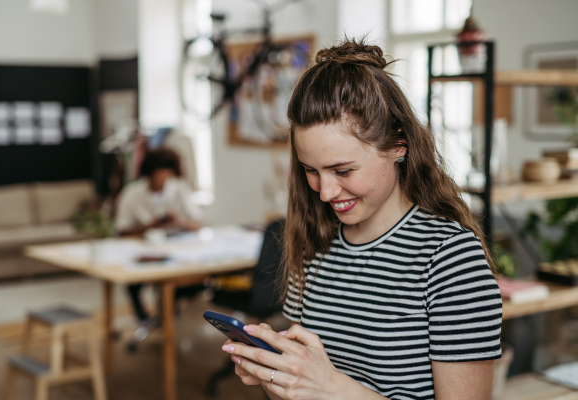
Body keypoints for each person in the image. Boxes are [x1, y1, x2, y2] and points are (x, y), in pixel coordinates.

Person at [221, 39, 502, 400]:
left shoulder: (450, 260)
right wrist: (277, 376)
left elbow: (327, 390)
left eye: (343, 170)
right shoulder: (313, 244)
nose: (325, 192)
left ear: (398, 145)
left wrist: (333, 388)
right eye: (311, 171)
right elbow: (305, 393)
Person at [115, 147, 203, 323]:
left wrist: (178, 221)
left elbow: (198, 223)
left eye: (168, 175)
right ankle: (147, 318)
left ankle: (172, 319)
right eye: (160, 174)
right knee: (134, 281)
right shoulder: (131, 194)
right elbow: (121, 231)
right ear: (149, 173)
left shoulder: (179, 189)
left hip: (178, 252)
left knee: (198, 281)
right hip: (146, 252)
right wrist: (150, 226)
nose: (164, 180)